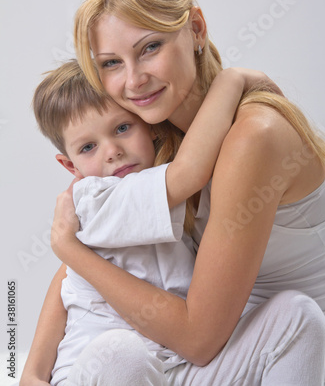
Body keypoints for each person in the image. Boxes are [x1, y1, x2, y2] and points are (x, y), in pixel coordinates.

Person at [21, 0, 325, 385]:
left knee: (295, 313)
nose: (134, 80)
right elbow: (104, 254)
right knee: (120, 357)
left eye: (150, 47)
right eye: (111, 63)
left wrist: (234, 79)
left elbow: (199, 338)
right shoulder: (161, 138)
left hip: (274, 358)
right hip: (216, 353)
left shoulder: (251, 137)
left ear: (197, 30)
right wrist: (34, 371)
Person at [30, 59, 250, 385]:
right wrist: (234, 80)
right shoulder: (89, 200)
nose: (112, 151)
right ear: (69, 165)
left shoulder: (161, 195)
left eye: (122, 128)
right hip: (100, 369)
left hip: (170, 364)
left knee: (295, 313)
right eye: (88, 147)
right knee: (124, 352)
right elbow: (189, 172)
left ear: (149, 126)